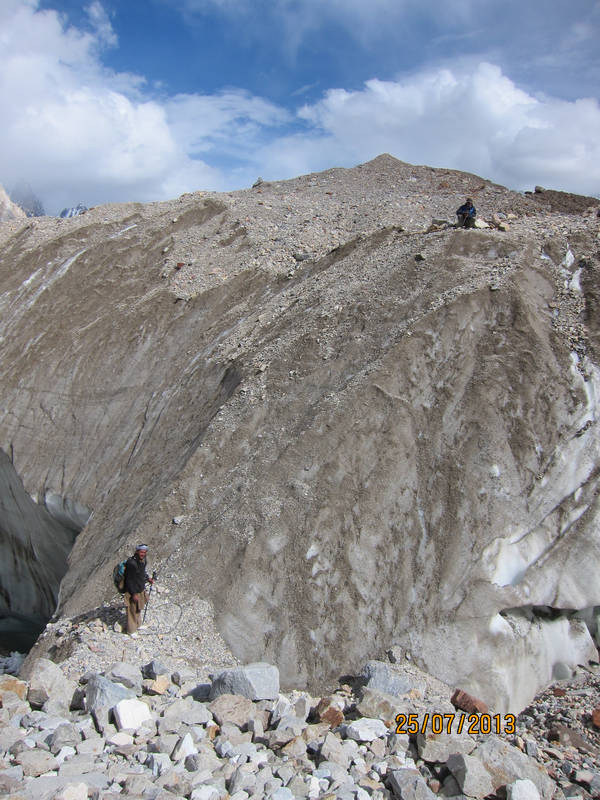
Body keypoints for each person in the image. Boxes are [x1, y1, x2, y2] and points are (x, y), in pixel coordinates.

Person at [123, 544, 154, 634]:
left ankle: (138, 625)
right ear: (137, 551)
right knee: (132, 610)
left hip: (140, 588)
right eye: (141, 552)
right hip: (133, 591)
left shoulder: (142, 561)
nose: (143, 554)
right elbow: (129, 580)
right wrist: (133, 593)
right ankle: (131, 631)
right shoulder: (131, 563)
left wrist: (148, 579)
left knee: (138, 608)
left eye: (144, 552)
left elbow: (142, 573)